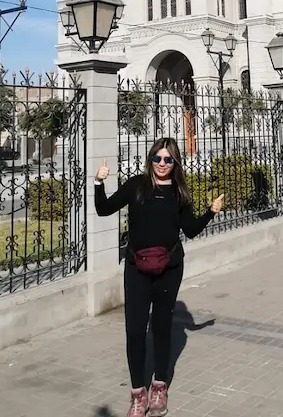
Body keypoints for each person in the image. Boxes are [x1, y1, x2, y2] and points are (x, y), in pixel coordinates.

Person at [94, 137, 224, 417]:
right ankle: (138, 394)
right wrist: (98, 183)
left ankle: (160, 386)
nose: (162, 164)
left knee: (163, 330)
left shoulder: (179, 193)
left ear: (175, 162)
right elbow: (103, 209)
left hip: (170, 270)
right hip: (137, 269)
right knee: (135, 332)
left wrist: (210, 213)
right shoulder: (136, 187)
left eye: (168, 159)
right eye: (158, 158)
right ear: (150, 159)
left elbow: (188, 230)